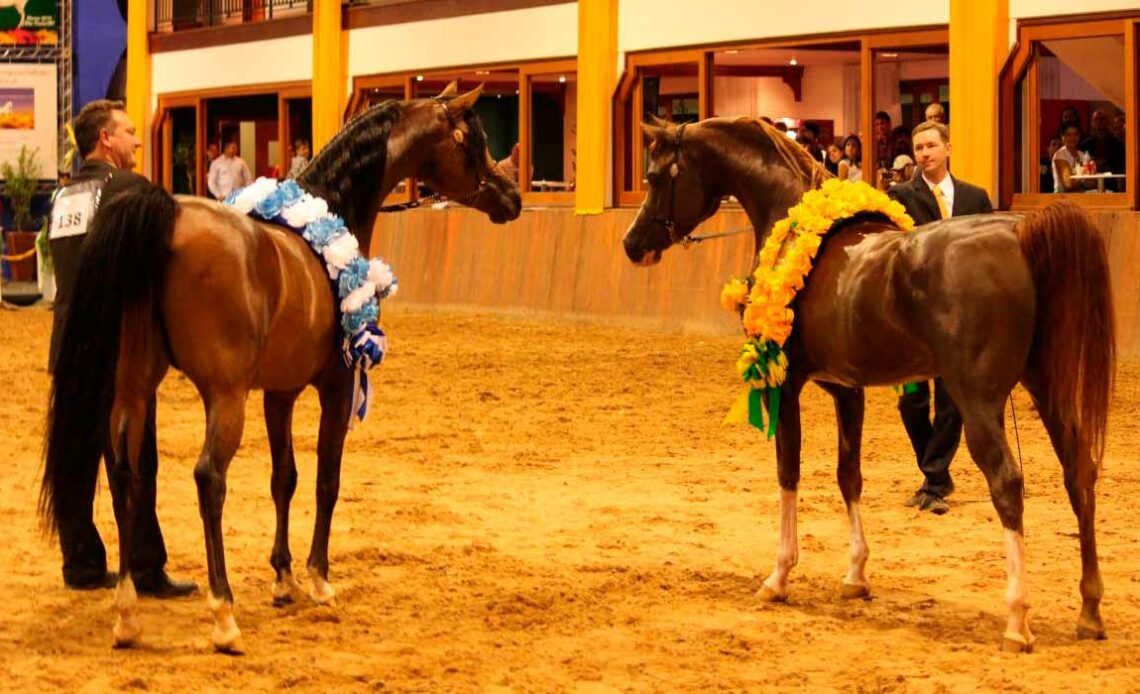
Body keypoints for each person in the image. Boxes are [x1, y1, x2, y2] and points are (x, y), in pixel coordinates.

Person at [46, 99, 196, 596]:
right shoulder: (129, 190)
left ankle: (82, 565)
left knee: (74, 456)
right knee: (131, 461)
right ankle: (146, 567)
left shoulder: (63, 195)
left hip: (68, 340)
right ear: (105, 140)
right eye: (129, 132)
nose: (136, 140)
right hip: (116, 346)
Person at [887, 120, 993, 515]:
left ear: (948, 148)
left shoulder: (975, 198)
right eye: (919, 148)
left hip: (961, 316)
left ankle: (934, 478)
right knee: (910, 401)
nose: (925, 153)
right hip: (913, 316)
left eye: (932, 145)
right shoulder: (899, 196)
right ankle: (936, 473)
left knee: (952, 401)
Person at [1053, 124, 1094, 193]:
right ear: (1063, 137)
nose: (1073, 138)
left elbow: (1092, 183)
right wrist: (1084, 180)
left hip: (1083, 196)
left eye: (1075, 134)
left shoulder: (1083, 155)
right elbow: (1068, 184)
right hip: (1063, 197)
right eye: (1068, 135)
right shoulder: (1060, 155)